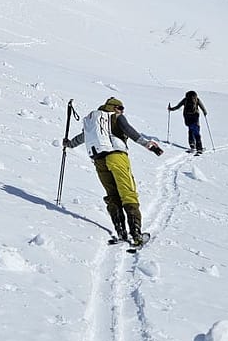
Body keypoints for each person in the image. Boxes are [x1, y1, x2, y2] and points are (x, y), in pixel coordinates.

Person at [64, 97, 164, 249]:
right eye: (121, 108)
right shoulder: (115, 116)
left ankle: (121, 233)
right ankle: (136, 235)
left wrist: (69, 144)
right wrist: (149, 145)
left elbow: (82, 138)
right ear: (115, 107)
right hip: (116, 156)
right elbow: (129, 131)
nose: (122, 111)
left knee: (112, 195)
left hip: (99, 160)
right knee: (127, 193)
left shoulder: (95, 121)